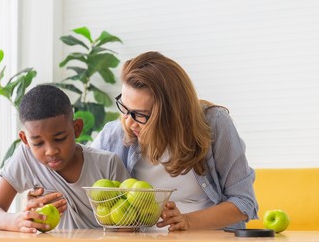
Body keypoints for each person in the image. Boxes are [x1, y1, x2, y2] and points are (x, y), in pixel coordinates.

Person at [29, 51, 259, 231]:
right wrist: (41, 202)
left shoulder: (214, 124)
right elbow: (82, 189)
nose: (128, 122)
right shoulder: (114, 134)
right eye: (124, 107)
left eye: (140, 115)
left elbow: (243, 202)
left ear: (171, 112)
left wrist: (187, 222)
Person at [0, 84, 130, 233]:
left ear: (76, 128)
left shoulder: (108, 164)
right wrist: (16, 221)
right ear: (25, 140)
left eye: (59, 138)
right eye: (38, 143)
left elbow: (129, 225)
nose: (51, 151)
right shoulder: (26, 158)